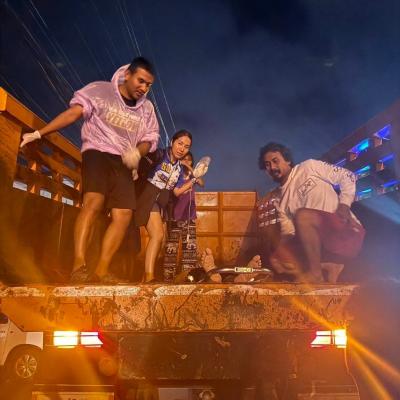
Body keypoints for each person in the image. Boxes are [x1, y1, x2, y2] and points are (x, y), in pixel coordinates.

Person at [20, 57, 159, 283]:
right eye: (140, 81)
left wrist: (137, 152)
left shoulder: (147, 109)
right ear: (127, 75)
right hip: (97, 152)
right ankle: (79, 266)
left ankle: (101, 270)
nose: (144, 88)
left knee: (124, 214)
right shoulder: (100, 91)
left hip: (124, 160)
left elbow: (150, 138)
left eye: (148, 85)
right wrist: (39, 133)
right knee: (93, 202)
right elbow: (73, 113)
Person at [258, 142, 365, 283]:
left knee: (303, 217)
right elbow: (288, 234)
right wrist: (280, 254)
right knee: (278, 259)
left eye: (275, 161)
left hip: (345, 232)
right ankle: (328, 266)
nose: (272, 167)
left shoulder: (309, 167)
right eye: (267, 165)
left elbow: (347, 175)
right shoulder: (280, 200)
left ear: (287, 160)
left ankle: (316, 274)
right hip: (321, 247)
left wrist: (344, 204)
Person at [135, 130, 198, 283]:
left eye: (186, 147)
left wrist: (192, 179)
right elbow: (139, 163)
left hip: (159, 204)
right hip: (146, 197)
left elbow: (176, 192)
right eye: (179, 143)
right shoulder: (159, 154)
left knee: (158, 238)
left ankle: (146, 276)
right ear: (172, 142)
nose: (182, 149)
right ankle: (149, 277)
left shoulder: (179, 168)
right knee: (157, 235)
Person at [162, 151, 204, 282]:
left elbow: (201, 183)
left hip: (189, 217)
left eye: (189, 159)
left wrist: (191, 169)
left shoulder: (193, 175)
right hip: (174, 217)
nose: (186, 161)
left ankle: (187, 276)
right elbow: (176, 193)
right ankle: (168, 278)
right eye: (184, 159)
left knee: (189, 249)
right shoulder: (176, 174)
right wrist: (190, 180)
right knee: (171, 248)